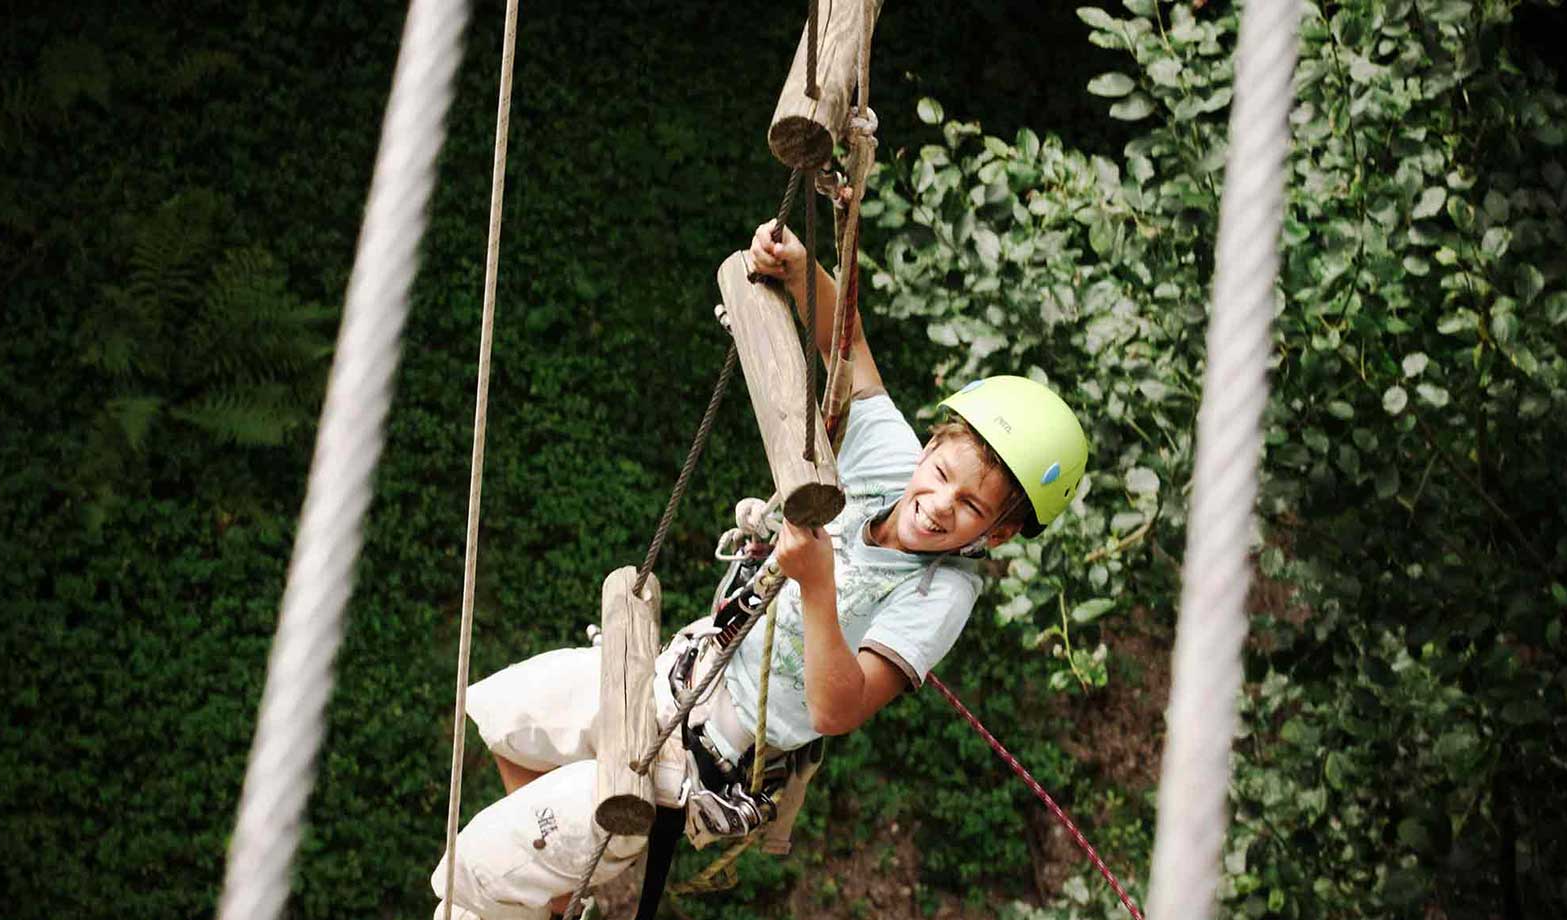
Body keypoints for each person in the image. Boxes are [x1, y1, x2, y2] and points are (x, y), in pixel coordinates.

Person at [431, 220, 1089, 919]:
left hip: (709, 755)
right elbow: (851, 345)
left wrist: (817, 582)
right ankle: (559, 894)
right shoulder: (890, 463)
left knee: (475, 869)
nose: (938, 506)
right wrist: (802, 270)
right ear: (930, 446)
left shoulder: (940, 593)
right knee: (508, 712)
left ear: (1002, 532)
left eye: (971, 507)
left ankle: (539, 878)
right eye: (942, 474)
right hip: (678, 674)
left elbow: (839, 708)